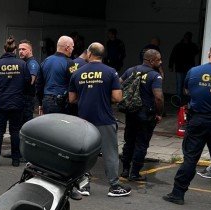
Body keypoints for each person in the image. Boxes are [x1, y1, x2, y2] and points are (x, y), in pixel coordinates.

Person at [162, 41, 211, 208]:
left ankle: (178, 194)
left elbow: (187, 91)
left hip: (197, 119)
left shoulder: (195, 72)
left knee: (190, 158)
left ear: (209, 54)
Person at [68, 42, 131, 197]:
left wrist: (86, 97)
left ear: (89, 53)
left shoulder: (77, 73)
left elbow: (71, 99)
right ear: (103, 55)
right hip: (104, 119)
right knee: (110, 153)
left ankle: (84, 186)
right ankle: (114, 186)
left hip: (84, 120)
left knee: (85, 153)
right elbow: (117, 97)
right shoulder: (111, 72)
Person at [119, 49, 164, 181]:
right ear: (151, 60)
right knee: (142, 144)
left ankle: (125, 170)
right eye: (158, 60)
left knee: (129, 142)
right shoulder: (155, 76)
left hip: (131, 112)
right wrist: (159, 113)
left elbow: (118, 83)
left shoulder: (130, 70)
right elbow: (159, 98)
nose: (160, 62)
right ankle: (135, 173)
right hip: (146, 115)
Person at [0, 36, 30, 167]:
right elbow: (27, 82)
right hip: (17, 102)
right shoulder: (22, 64)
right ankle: (15, 160)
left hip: (1, 102)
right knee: (15, 131)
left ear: (4, 49)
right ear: (14, 50)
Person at [36, 36, 75, 115]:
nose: (73, 49)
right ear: (67, 48)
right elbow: (73, 84)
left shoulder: (45, 61)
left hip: (46, 101)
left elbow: (39, 84)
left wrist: (40, 103)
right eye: (72, 46)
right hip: (62, 103)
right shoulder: (70, 63)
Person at [169, 32, 201, 103]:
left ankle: (187, 101)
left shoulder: (192, 46)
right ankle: (179, 101)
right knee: (180, 85)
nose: (187, 38)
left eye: (188, 37)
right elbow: (173, 55)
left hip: (187, 68)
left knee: (187, 85)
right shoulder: (179, 45)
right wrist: (170, 66)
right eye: (186, 37)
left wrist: (171, 66)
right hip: (181, 68)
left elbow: (197, 51)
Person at [18, 40, 39, 126]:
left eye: (23, 49)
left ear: (30, 50)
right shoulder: (25, 63)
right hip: (23, 98)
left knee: (25, 124)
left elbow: (31, 81)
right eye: (19, 49)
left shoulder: (32, 63)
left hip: (27, 99)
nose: (21, 52)